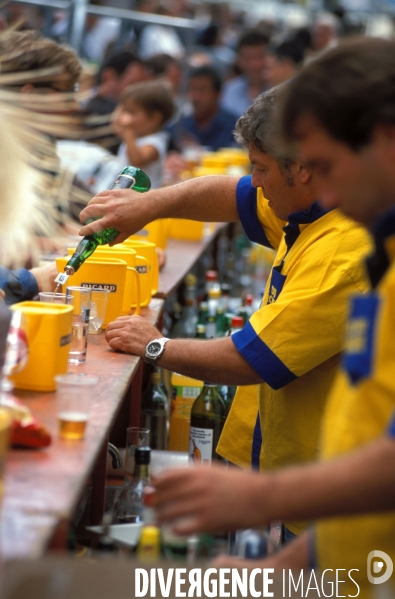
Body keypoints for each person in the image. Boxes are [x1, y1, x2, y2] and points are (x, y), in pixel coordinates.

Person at [152, 37, 395, 598]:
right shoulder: (366, 235)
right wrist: (285, 567)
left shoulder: (349, 247)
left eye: (328, 167)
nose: (323, 189)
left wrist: (267, 500)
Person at [79, 86, 370, 539]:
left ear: (305, 169)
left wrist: (156, 344)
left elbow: (249, 359)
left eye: (261, 168)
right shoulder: (314, 207)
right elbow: (232, 197)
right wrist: (147, 206)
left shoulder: (345, 252)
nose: (255, 181)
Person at [112, 80, 175, 190]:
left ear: (154, 118)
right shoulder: (135, 137)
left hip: (142, 200)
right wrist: (124, 99)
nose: (126, 117)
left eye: (132, 112)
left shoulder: (155, 142)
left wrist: (128, 131)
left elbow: (137, 161)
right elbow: (116, 123)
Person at [170, 65, 238, 152]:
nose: (196, 97)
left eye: (202, 90)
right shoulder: (181, 127)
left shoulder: (234, 127)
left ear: (217, 94)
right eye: (192, 90)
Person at [220, 28, 270, 120]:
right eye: (248, 58)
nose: (254, 64)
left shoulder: (281, 92)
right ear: (238, 60)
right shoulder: (229, 90)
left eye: (259, 57)